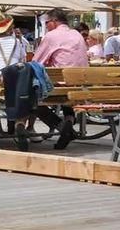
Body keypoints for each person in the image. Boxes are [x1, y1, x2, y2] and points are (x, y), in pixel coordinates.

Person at [30, 8, 88, 142]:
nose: (46, 26)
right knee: (66, 90)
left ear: (54, 21)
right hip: (80, 84)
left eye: (47, 23)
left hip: (60, 85)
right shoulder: (77, 34)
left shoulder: (51, 36)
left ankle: (60, 126)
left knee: (30, 99)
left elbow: (36, 62)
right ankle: (69, 120)